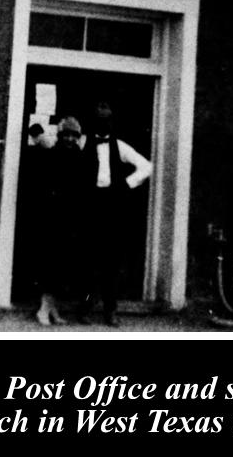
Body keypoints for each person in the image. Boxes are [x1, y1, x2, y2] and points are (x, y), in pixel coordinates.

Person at [77, 101, 153, 327]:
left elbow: (146, 166)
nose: (103, 125)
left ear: (112, 122)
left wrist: (126, 185)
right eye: (99, 121)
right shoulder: (82, 142)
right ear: (93, 122)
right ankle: (85, 308)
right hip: (89, 206)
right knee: (87, 261)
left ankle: (110, 311)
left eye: (107, 120)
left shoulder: (120, 146)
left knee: (111, 262)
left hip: (111, 207)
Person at [26, 116, 88, 326]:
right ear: (60, 136)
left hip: (71, 217)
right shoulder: (52, 154)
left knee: (62, 265)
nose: (70, 139)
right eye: (66, 135)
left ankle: (52, 309)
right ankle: (43, 309)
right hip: (52, 216)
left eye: (73, 135)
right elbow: (34, 131)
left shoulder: (79, 157)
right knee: (50, 263)